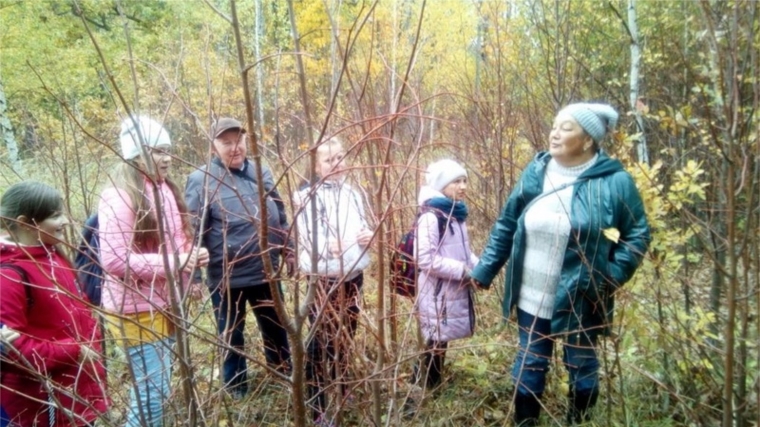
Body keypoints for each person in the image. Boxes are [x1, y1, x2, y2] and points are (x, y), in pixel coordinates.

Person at [469, 102, 651, 425]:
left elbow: (637, 233)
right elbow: (508, 222)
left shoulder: (614, 181)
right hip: (531, 294)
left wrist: (610, 274)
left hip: (582, 295)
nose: (555, 133)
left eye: (566, 128)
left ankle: (576, 421)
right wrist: (485, 269)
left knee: (581, 367)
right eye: (554, 125)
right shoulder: (536, 170)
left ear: (588, 141)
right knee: (530, 363)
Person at [98, 116, 208, 427]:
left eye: (168, 150)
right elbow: (115, 260)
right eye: (158, 151)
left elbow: (177, 241)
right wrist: (177, 263)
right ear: (136, 154)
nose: (167, 158)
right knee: (150, 394)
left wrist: (190, 268)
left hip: (164, 303)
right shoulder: (119, 196)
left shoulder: (164, 190)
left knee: (157, 389)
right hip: (135, 310)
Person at [185, 117, 292, 400]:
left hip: (265, 271)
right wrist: (194, 275)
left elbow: (279, 215)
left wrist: (288, 249)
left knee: (276, 327)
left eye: (239, 140)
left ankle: (282, 371)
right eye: (226, 142)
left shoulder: (261, 172)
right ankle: (236, 387)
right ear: (213, 147)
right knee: (231, 335)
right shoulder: (201, 180)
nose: (235, 147)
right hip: (227, 278)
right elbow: (193, 231)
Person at [0, 181, 110, 426]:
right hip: (40, 406)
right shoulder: (9, 275)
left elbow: (80, 315)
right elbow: (11, 351)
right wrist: (75, 351)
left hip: (77, 394)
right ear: (24, 222)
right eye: (55, 215)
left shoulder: (54, 256)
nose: (65, 221)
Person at [294, 136, 373, 426]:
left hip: (352, 275)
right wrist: (327, 245)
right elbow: (305, 239)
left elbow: (364, 224)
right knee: (318, 342)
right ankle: (317, 404)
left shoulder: (353, 192)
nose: (337, 164)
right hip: (323, 279)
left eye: (341, 157)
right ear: (316, 165)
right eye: (329, 160)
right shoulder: (306, 196)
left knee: (345, 334)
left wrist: (367, 234)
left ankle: (341, 383)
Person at [412, 159, 479, 392]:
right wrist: (462, 271)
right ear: (441, 185)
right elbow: (426, 260)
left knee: (441, 337)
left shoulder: (455, 213)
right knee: (434, 339)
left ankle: (430, 383)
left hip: (450, 290)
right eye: (456, 182)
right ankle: (424, 387)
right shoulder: (432, 216)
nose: (463, 186)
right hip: (436, 292)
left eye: (464, 181)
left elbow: (463, 251)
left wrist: (480, 268)